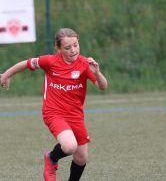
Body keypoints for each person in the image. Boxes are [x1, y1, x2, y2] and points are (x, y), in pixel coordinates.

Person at [0, 28, 108, 181]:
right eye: (67, 47)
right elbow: (26, 63)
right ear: (58, 49)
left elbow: (102, 86)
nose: (73, 50)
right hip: (54, 113)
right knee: (70, 146)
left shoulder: (84, 64)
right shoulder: (49, 61)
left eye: (76, 45)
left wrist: (97, 73)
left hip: (75, 115)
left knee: (81, 157)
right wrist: (6, 75)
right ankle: (51, 158)